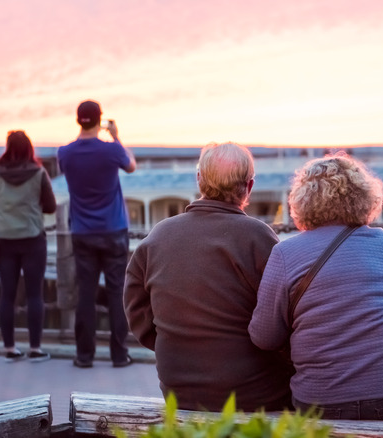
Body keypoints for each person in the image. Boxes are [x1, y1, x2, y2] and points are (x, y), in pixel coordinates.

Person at [249, 153, 383, 420]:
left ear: (302, 201)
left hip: (321, 402)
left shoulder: (285, 253)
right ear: (364, 195)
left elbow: (264, 337)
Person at [124, 142, 292, 411]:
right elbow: (283, 318)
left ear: (199, 179)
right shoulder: (258, 238)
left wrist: (175, 345)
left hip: (179, 392)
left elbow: (136, 311)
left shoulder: (159, 235)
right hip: (254, 396)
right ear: (249, 187)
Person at [57, 100, 136, 368]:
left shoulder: (64, 153)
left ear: (78, 120)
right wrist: (115, 135)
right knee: (116, 293)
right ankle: (119, 355)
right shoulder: (112, 150)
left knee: (86, 294)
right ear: (99, 119)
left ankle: (84, 356)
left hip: (82, 232)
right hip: (114, 229)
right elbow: (131, 165)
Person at [0, 130, 57, 362]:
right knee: (35, 294)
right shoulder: (39, 172)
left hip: (4, 240)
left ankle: (10, 348)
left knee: (7, 295)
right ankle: (35, 348)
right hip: (33, 238)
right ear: (29, 149)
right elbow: (51, 206)